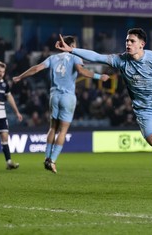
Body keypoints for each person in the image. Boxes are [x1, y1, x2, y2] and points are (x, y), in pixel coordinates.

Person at [55, 28, 152, 199]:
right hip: (144, 112)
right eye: (127, 41)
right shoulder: (121, 60)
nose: (128, 44)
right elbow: (97, 57)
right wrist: (71, 50)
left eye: (132, 41)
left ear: (142, 44)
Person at [13, 36, 109, 174]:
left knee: (53, 128)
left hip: (54, 96)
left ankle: (46, 157)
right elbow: (82, 72)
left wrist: (20, 77)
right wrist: (100, 77)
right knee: (62, 131)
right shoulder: (75, 57)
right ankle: (52, 161)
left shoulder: (53, 58)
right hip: (68, 97)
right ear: (72, 45)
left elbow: (36, 69)